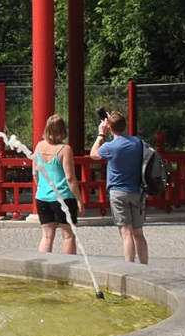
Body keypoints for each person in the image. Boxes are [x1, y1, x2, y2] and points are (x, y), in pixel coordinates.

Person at [91, 110, 149, 264]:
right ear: (126, 125)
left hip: (118, 192)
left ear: (109, 128)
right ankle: (145, 267)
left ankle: (129, 268)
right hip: (137, 191)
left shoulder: (110, 147)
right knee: (138, 233)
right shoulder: (137, 142)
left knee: (126, 234)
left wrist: (101, 134)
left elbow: (93, 154)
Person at [32, 114, 80, 255]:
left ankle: (44, 269)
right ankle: (68, 269)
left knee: (46, 236)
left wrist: (43, 188)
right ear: (62, 130)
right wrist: (79, 200)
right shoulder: (65, 149)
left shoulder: (39, 146)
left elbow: (35, 173)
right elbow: (70, 178)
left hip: (42, 197)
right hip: (62, 197)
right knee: (68, 236)